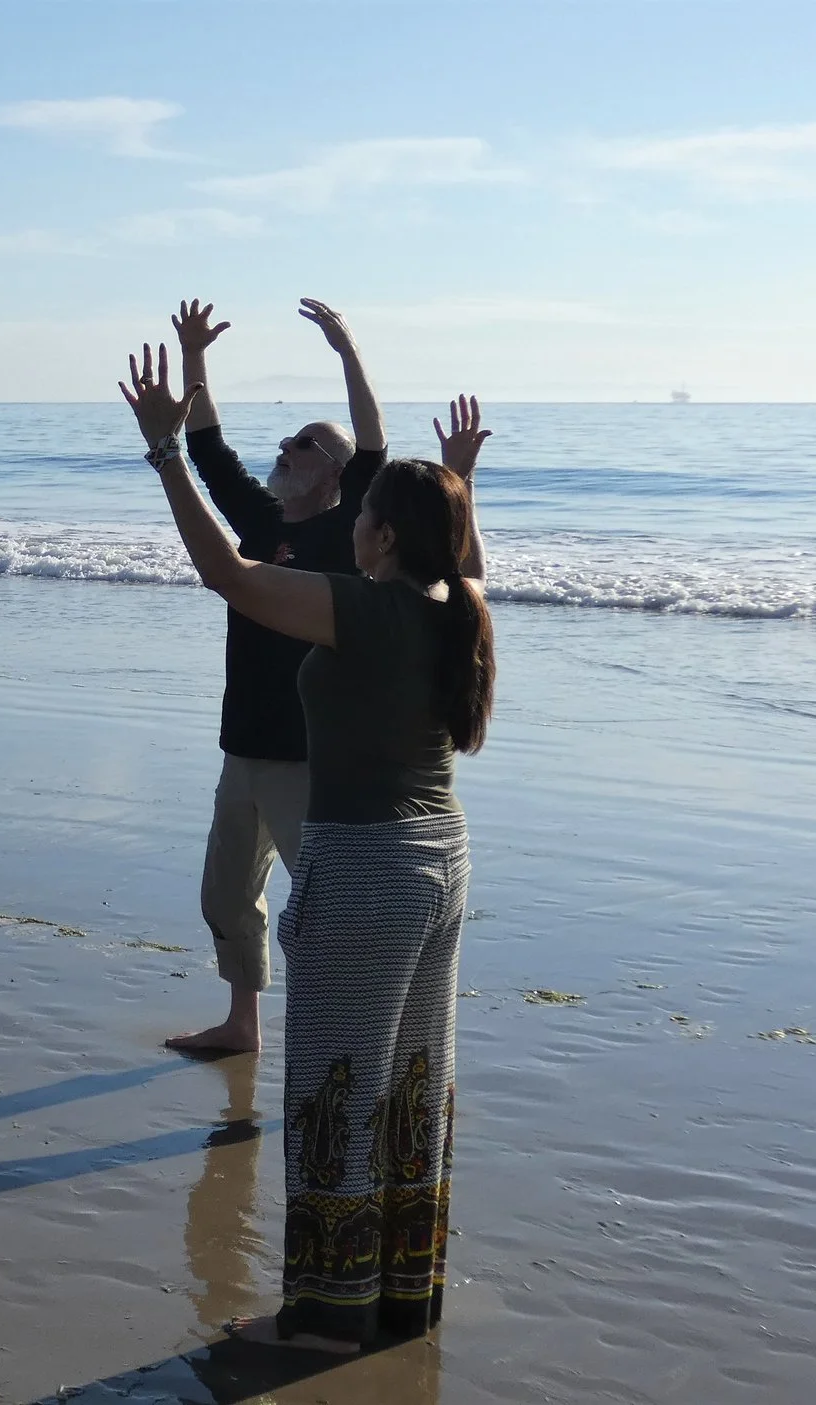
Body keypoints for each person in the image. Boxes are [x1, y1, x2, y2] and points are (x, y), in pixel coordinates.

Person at [122, 343, 494, 1352]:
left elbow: (223, 571)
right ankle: (400, 1296)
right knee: (410, 1083)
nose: (357, 527)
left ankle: (325, 1319)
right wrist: (461, 478)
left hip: (366, 868)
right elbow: (461, 554)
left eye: (369, 518)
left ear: (375, 532)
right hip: (442, 864)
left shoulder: (364, 605)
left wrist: (163, 453)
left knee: (333, 1085)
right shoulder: (457, 601)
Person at [164, 297, 392, 1055]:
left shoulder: (344, 534)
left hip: (310, 756)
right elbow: (207, 449)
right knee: (227, 897)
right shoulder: (260, 525)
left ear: (332, 476)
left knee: (322, 907)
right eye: (288, 440)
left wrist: (347, 350)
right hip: (244, 745)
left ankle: (344, 1037)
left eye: (303, 445)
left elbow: (373, 452)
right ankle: (242, 1025)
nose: (285, 450)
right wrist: (195, 358)